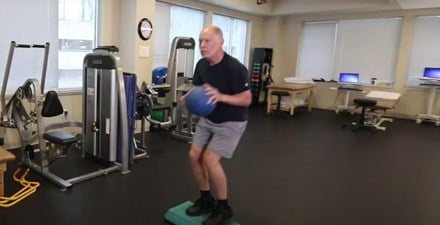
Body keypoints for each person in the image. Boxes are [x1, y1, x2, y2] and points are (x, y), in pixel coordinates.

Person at [183, 25, 251, 225]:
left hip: (232, 119)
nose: (202, 45)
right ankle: (206, 199)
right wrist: (189, 97)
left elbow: (246, 99)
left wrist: (221, 96)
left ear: (220, 42)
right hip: (209, 118)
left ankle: (224, 207)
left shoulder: (235, 68)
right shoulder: (201, 65)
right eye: (200, 41)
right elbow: (199, 89)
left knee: (210, 159)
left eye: (208, 41)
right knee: (194, 155)